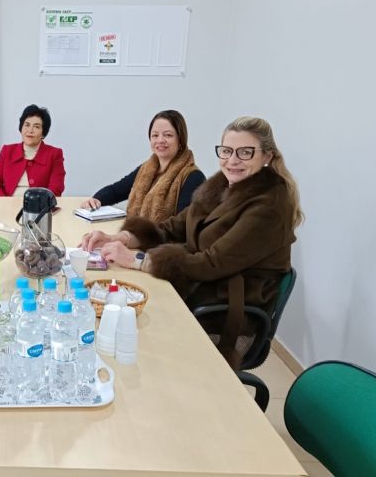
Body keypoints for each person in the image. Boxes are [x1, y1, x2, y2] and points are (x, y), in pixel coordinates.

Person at [81, 117, 303, 367]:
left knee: (135, 333)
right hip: (200, 290)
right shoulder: (221, 186)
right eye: (227, 151)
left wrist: (137, 260)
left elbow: (211, 263)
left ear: (267, 157)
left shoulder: (269, 206)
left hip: (225, 313)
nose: (232, 160)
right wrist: (119, 237)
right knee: (122, 318)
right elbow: (174, 227)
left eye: (245, 152)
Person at [80, 110, 205, 221]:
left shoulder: (193, 177)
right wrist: (96, 200)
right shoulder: (146, 169)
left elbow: (181, 226)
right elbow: (116, 190)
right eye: (155, 135)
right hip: (134, 239)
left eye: (168, 135)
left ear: (181, 139)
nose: (160, 140)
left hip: (162, 245)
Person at [0, 104, 66, 196]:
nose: (30, 130)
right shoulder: (8, 151)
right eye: (27, 125)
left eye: (36, 127)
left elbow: (56, 188)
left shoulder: (54, 154)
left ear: (43, 133)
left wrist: (37, 205)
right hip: (7, 207)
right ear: (21, 128)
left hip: (39, 208)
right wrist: (4, 202)